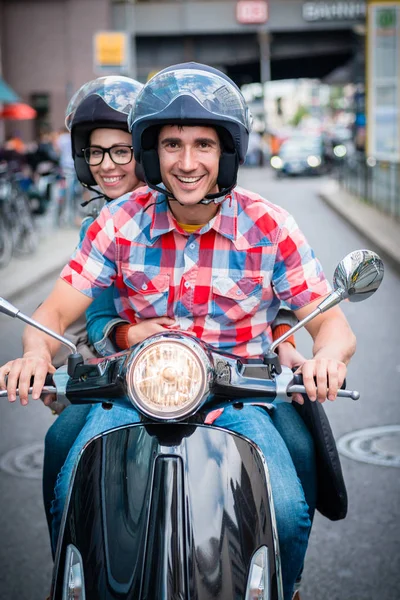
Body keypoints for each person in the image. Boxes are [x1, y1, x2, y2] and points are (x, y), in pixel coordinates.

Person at [0, 63, 356, 600]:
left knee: (284, 506)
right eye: (171, 145)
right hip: (130, 398)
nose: (187, 163)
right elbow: (52, 314)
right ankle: (72, 585)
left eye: (203, 145)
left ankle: (288, 585)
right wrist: (32, 354)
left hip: (241, 400)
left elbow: (333, 324)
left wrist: (327, 356)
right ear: (152, 152)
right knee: (71, 484)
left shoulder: (270, 225)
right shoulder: (119, 221)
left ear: (227, 153)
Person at [41, 75, 146, 546]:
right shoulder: (96, 226)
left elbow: (271, 289)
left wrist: (286, 338)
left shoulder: (193, 204)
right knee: (62, 440)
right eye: (96, 152)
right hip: (120, 362)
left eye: (121, 150)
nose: (107, 165)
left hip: (203, 362)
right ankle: (65, 567)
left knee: (298, 440)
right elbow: (94, 316)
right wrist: (44, 356)